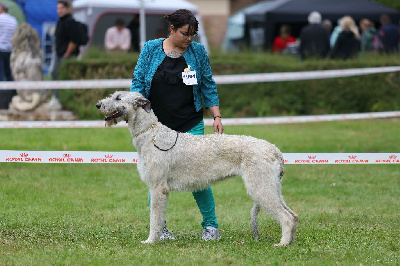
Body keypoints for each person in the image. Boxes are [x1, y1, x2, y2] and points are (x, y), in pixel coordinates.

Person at [130, 9, 223, 241]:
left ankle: (211, 226)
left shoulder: (198, 52)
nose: (189, 38)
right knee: (156, 178)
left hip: (190, 121)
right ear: (171, 29)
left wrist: (217, 116)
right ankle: (159, 229)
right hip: (157, 127)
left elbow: (208, 85)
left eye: (193, 34)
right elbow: (138, 82)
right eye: (185, 33)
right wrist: (133, 106)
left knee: (200, 177)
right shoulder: (151, 49)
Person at [52, 0, 80, 80]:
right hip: (58, 54)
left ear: (67, 9)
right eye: (58, 8)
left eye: (62, 8)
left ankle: (61, 92)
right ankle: (56, 93)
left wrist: (66, 55)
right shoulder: (60, 21)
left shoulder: (70, 22)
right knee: (54, 73)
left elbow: (73, 41)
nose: (59, 10)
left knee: (65, 76)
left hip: (67, 56)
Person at [0, 3, 18, 109]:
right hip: (10, 51)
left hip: (0, 50)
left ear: (1, 9)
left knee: (1, 76)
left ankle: (2, 102)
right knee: (10, 75)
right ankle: (11, 98)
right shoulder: (14, 20)